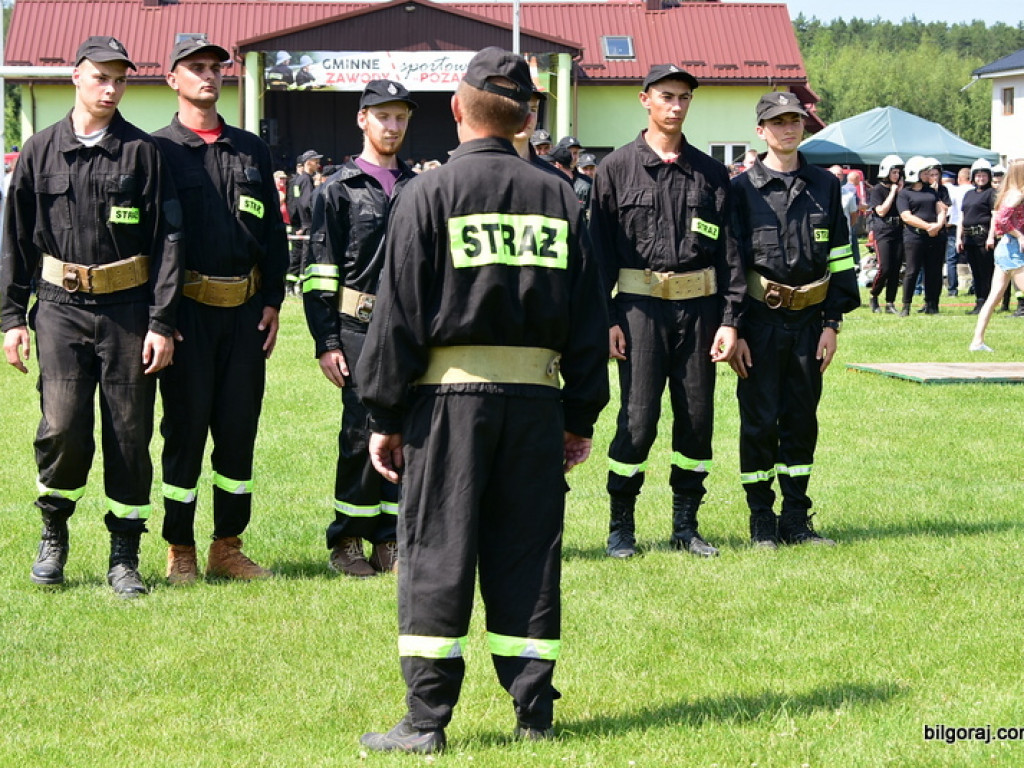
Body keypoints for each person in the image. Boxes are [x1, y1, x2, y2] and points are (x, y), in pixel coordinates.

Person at [356, 47, 608, 753]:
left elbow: (398, 316)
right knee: (527, 552)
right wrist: (580, 413)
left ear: (457, 109)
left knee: (437, 550)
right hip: (535, 404)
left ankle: (425, 721)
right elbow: (591, 320)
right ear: (529, 116)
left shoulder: (425, 195)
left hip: (447, 406)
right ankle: (534, 712)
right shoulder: (563, 196)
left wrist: (383, 415)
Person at [1, 36, 181, 596]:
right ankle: (53, 535)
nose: (111, 88)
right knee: (62, 428)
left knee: (129, 435)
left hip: (128, 312)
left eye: (119, 79)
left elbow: (169, 240)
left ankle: (123, 555)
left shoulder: (144, 153)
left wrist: (161, 322)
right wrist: (11, 318)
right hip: (59, 309)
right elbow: (15, 240)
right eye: (100, 77)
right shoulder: (39, 150)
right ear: (75, 78)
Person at [589, 63, 744, 559]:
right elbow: (598, 255)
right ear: (645, 100)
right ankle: (621, 528)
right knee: (637, 421)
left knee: (697, 421)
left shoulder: (712, 173)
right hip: (639, 312)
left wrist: (730, 321)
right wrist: (606, 318)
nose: (676, 106)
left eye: (684, 98)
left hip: (699, 312)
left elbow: (731, 256)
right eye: (667, 96)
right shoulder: (614, 169)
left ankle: (686, 525)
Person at [152, 36, 287, 583]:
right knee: (185, 432)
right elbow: (151, 240)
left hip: (245, 314)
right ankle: (179, 548)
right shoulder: (156, 149)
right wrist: (160, 317)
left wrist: (274, 299)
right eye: (196, 68)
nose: (209, 76)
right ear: (173, 79)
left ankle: (226, 545)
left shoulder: (250, 148)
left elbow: (273, 234)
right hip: (187, 315)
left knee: (237, 432)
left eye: (216, 68)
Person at [729, 91, 860, 548]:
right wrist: (736, 328)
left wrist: (833, 323)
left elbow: (840, 255)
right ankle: (762, 518)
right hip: (761, 325)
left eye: (795, 121)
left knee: (801, 420)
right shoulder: (741, 191)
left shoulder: (824, 185)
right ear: (761, 131)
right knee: (760, 421)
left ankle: (796, 518)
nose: (788, 129)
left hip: (810, 324)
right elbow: (732, 265)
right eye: (778, 122)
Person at [301, 79, 417, 577]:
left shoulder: (420, 188)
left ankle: (391, 540)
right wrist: (327, 341)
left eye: (400, 118)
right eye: (383, 116)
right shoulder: (337, 190)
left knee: (406, 434)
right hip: (357, 328)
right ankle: (347, 539)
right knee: (358, 434)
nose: (392, 127)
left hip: (411, 333)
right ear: (362, 119)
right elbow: (319, 271)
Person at [969, 159, 1024, 352]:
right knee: (994, 297)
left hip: (1006, 249)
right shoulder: (1016, 195)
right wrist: (1020, 235)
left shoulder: (1009, 193)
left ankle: (977, 341)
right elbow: (1001, 221)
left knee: (993, 298)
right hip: (1013, 251)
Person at [897, 156, 949, 316]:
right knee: (912, 271)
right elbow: (906, 216)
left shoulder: (932, 191)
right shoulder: (904, 194)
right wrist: (927, 226)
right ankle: (906, 306)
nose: (929, 175)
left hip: (935, 235)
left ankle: (932, 304)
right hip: (915, 237)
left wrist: (938, 225)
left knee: (934, 271)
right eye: (925, 172)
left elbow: (941, 209)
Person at [867, 155, 904, 314]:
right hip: (883, 231)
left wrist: (900, 192)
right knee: (885, 267)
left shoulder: (901, 190)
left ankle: (890, 302)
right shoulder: (878, 190)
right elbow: (881, 211)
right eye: (894, 172)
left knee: (896, 269)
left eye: (898, 173)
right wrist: (893, 193)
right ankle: (874, 296)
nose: (896, 176)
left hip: (898, 231)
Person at [958, 159, 996, 315]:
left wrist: (991, 237)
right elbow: (962, 216)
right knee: (975, 272)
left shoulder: (992, 193)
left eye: (984, 175)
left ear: (989, 176)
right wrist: (959, 237)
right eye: (978, 175)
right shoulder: (968, 194)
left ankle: (986, 302)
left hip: (984, 237)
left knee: (985, 272)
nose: (981, 178)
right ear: (973, 177)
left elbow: (994, 216)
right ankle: (979, 301)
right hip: (969, 238)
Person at [287, 149, 321, 293]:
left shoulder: (298, 180)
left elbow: (295, 203)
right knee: (305, 257)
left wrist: (297, 222)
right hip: (307, 225)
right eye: (316, 162)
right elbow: (306, 203)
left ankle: (290, 285)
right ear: (308, 163)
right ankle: (301, 286)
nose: (319, 165)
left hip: (299, 224)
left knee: (296, 254)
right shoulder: (306, 180)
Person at [944, 167, 972, 297]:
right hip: (971, 226)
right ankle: (975, 287)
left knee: (951, 260)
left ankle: (952, 290)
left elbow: (949, 208)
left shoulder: (955, 191)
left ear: (960, 179)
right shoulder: (974, 191)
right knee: (974, 259)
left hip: (955, 226)